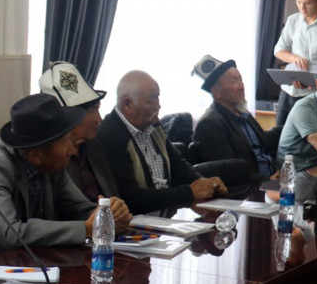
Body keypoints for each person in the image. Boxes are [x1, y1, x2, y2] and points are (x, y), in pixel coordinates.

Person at [0, 94, 132, 265]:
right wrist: (87, 229)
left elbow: (79, 208)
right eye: (67, 142)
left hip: (28, 264)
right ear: (36, 156)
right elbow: (11, 233)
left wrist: (108, 214)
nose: (73, 150)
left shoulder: (51, 162)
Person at [95, 70, 226, 214]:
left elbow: (177, 165)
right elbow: (130, 197)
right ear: (128, 104)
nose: (158, 106)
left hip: (164, 217)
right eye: (151, 101)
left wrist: (206, 184)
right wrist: (189, 192)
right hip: (136, 223)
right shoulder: (110, 135)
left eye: (158, 99)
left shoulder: (153, 125)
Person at [39, 61, 118, 201]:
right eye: (93, 110)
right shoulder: (51, 158)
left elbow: (113, 195)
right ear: (71, 117)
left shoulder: (95, 148)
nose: (99, 119)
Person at [191, 55, 281, 177]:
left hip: (273, 175)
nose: (241, 86)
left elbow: (261, 141)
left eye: (241, 80)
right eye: (233, 81)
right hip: (252, 185)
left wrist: (291, 125)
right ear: (216, 92)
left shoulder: (242, 112)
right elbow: (230, 171)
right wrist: (267, 180)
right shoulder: (209, 124)